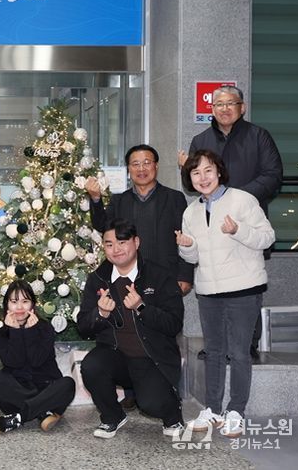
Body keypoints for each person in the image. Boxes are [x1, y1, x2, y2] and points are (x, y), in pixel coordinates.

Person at [86, 144, 192, 411]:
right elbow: (104, 227)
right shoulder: (120, 201)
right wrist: (96, 199)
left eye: (147, 162)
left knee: (162, 331)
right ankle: (133, 389)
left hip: (164, 278)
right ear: (128, 169)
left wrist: (184, 273)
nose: (141, 168)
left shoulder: (174, 198)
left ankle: (166, 384)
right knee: (131, 330)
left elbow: (185, 238)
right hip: (130, 277)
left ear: (156, 166)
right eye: (135, 163)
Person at [178, 85, 283, 357]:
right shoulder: (200, 140)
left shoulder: (259, 136)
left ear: (242, 107)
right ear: (211, 109)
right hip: (211, 225)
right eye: (218, 105)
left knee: (247, 283)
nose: (224, 109)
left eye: (230, 103)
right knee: (215, 281)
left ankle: (247, 344)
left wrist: (235, 199)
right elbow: (191, 183)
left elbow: (273, 175)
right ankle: (217, 344)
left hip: (246, 224)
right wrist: (185, 170)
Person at [177, 150, 275, 438]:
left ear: (219, 171)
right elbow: (194, 257)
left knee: (239, 353)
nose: (203, 177)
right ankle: (213, 409)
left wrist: (238, 230)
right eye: (196, 173)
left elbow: (267, 237)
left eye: (208, 170)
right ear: (190, 178)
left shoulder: (242, 200)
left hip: (243, 289)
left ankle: (236, 411)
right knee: (214, 352)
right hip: (209, 291)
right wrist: (186, 246)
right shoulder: (191, 212)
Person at [77, 218, 184, 439]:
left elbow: (174, 323)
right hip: (116, 357)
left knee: (151, 404)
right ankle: (112, 416)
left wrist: (141, 307)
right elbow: (83, 327)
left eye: (122, 242)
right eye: (109, 244)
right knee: (91, 365)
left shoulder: (159, 275)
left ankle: (173, 413)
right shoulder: (98, 279)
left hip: (151, 358)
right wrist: (100, 313)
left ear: (136, 242)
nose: (115, 249)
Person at [0, 280, 75, 434]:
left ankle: (19, 417)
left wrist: (30, 332)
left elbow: (36, 361)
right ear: (7, 305)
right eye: (14, 302)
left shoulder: (45, 328)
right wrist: (15, 332)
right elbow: (14, 362)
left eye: (25, 301)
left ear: (32, 305)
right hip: (19, 392)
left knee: (68, 384)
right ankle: (42, 412)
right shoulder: (0, 335)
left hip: (46, 387)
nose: (19, 307)